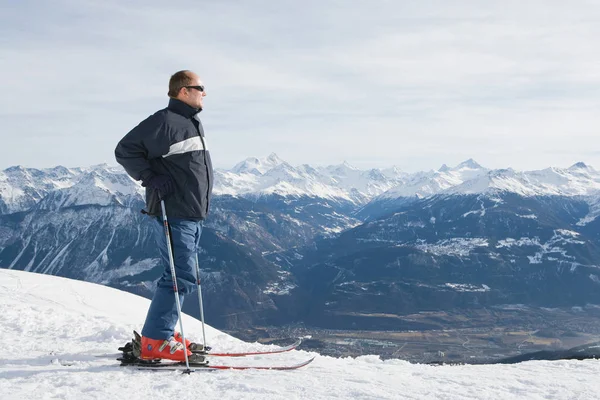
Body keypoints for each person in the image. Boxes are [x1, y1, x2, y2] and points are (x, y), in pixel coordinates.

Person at [115, 70, 213, 361]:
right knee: (178, 276)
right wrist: (149, 177)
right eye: (200, 88)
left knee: (182, 275)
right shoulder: (165, 121)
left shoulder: (189, 123)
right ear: (183, 91)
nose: (204, 93)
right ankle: (155, 340)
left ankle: (162, 333)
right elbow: (125, 150)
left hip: (191, 213)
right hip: (176, 212)